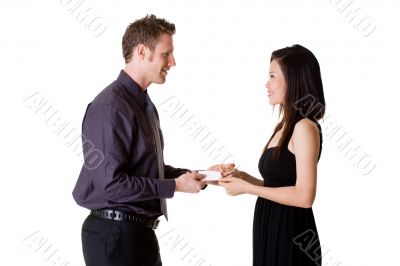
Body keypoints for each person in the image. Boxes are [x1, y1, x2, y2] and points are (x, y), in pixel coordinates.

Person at [72, 14, 206, 266]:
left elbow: (146, 170)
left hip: (136, 235)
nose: (173, 62)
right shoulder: (111, 106)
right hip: (114, 237)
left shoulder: (143, 104)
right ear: (142, 51)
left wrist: (198, 175)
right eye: (167, 53)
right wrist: (174, 186)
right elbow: (111, 184)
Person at [218, 44, 326, 266]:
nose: (266, 84)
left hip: (292, 234)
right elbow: (277, 186)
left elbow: (304, 196)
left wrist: (247, 189)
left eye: (272, 76)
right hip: (271, 225)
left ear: (293, 79)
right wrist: (242, 178)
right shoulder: (284, 126)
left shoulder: (304, 128)